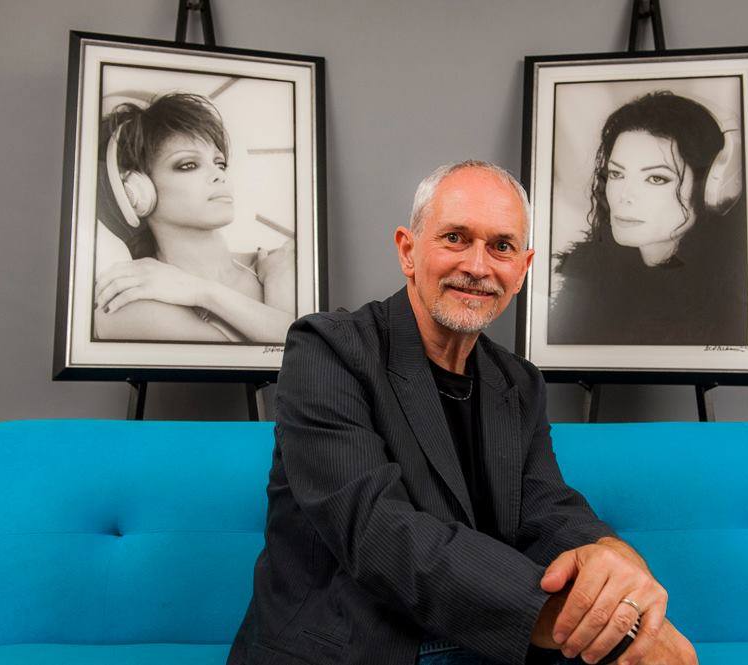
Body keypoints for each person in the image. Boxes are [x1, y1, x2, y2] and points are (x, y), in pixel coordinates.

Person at [227, 160, 697, 665]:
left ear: (522, 269)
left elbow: (545, 509)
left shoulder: (518, 381)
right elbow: (375, 528)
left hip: (477, 643)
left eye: (502, 246)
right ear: (408, 251)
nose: (477, 266)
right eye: (455, 238)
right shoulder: (328, 348)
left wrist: (613, 558)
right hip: (351, 648)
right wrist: (557, 616)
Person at [92, 92, 295, 344]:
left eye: (219, 163)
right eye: (188, 165)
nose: (219, 175)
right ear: (135, 191)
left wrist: (279, 280)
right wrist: (203, 292)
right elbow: (285, 358)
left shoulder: (284, 263)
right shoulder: (125, 306)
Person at [549, 91, 748, 346]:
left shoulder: (731, 305)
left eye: (656, 178)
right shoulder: (586, 281)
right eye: (617, 174)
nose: (625, 196)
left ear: (713, 189)